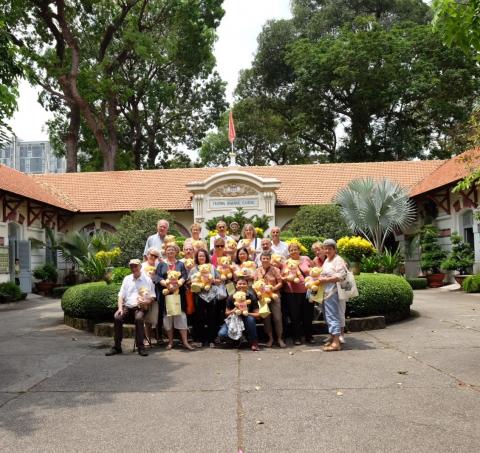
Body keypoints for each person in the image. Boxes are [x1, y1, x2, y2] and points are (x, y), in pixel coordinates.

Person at [106, 259, 155, 357]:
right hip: (127, 307)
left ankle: (141, 347)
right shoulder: (127, 278)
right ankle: (117, 347)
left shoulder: (147, 279)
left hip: (141, 307)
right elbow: (121, 295)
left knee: (139, 318)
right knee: (117, 317)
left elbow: (153, 297)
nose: (133, 268)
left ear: (140, 267)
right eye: (131, 266)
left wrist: (146, 301)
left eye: (135, 266)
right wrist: (120, 308)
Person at [154, 243, 193, 350]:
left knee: (182, 317)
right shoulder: (161, 264)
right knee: (168, 319)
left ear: (176, 252)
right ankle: (170, 342)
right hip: (166, 296)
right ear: (165, 252)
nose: (170, 252)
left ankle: (185, 342)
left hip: (178, 295)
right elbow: (157, 277)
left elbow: (185, 275)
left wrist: (178, 284)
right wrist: (166, 284)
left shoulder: (181, 264)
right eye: (168, 250)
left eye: (172, 250)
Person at [318, 239, 348, 352]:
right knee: (328, 316)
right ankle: (333, 338)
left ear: (334, 249)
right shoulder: (327, 260)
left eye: (330, 249)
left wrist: (326, 279)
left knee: (333, 316)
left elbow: (341, 275)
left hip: (333, 292)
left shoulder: (338, 260)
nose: (327, 251)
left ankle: (336, 343)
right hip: (326, 292)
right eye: (325, 248)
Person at [283, 242, 313, 345]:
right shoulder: (286, 262)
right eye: (291, 250)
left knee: (308, 315)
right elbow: (283, 276)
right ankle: (297, 337)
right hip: (291, 292)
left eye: (295, 249)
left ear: (299, 250)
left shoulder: (306, 259)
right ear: (289, 252)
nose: (293, 251)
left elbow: (314, 270)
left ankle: (309, 336)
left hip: (306, 291)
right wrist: (288, 278)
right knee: (295, 315)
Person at [217, 278, 260, 351]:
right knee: (222, 334)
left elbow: (258, 314)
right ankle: (237, 340)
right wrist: (233, 310)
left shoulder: (251, 297)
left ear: (247, 286)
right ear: (236, 286)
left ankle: (254, 341)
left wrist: (246, 313)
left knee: (250, 319)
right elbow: (226, 314)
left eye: (244, 284)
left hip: (246, 320)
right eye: (240, 284)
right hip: (234, 320)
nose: (242, 285)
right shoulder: (231, 297)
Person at [190, 248, 221, 347]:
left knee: (212, 317)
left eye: (203, 256)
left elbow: (219, 280)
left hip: (211, 295)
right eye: (199, 256)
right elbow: (188, 282)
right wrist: (196, 281)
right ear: (197, 258)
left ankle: (211, 339)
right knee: (199, 318)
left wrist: (212, 280)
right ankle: (200, 339)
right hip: (199, 295)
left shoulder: (212, 267)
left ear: (206, 257)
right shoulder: (194, 269)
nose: (201, 257)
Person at [255, 252, 285, 348]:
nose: (265, 260)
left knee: (277, 318)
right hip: (263, 297)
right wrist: (259, 293)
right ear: (261, 259)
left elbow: (280, 283)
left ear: (270, 259)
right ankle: (270, 338)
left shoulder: (275, 269)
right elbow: (255, 285)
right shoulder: (257, 271)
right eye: (263, 258)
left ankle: (279, 338)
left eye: (267, 258)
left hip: (274, 295)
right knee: (266, 318)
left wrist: (273, 288)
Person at [141, 247, 161, 343]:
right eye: (151, 255)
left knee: (156, 317)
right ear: (147, 255)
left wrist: (154, 277)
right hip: (145, 294)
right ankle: (148, 339)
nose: (153, 257)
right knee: (147, 319)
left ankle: (158, 338)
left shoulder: (159, 265)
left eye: (155, 256)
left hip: (156, 294)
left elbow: (162, 278)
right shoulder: (142, 266)